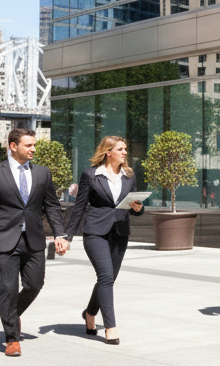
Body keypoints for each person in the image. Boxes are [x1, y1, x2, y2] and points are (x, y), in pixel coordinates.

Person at [0, 128, 69, 357]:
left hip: (33, 239)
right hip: (5, 240)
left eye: (34, 145)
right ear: (13, 146)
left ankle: (11, 315)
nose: (33, 149)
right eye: (28, 145)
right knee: (8, 289)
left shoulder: (43, 173)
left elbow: (51, 206)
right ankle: (12, 338)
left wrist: (60, 235)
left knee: (35, 285)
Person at [65, 135, 144, 345]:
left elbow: (133, 204)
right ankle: (110, 327)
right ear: (108, 152)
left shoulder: (129, 175)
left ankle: (90, 313)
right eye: (121, 149)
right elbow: (79, 207)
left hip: (120, 232)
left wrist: (138, 208)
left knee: (107, 279)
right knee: (106, 276)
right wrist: (68, 237)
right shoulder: (91, 175)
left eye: (125, 149)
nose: (125, 152)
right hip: (96, 233)